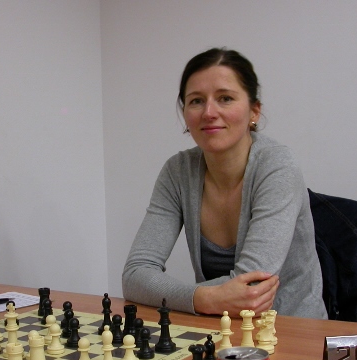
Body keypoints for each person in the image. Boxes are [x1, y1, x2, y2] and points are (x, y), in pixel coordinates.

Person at [122, 48, 327, 319]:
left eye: (225, 98)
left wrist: (176, 296)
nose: (209, 112)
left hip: (290, 330)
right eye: (196, 101)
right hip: (216, 328)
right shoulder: (177, 171)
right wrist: (204, 298)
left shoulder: (277, 166)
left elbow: (251, 289)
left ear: (254, 111)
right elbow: (135, 275)